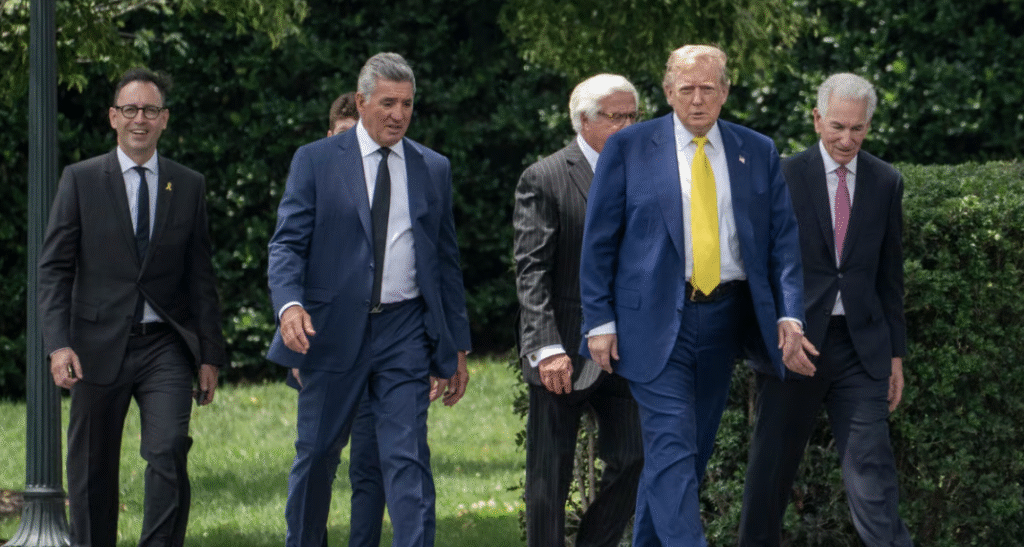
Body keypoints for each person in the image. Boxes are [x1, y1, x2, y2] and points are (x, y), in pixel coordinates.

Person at [579, 44, 814, 546]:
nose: (698, 100)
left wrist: (790, 315)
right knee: (672, 448)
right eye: (686, 89)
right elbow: (599, 241)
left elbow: (783, 244)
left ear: (725, 91)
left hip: (724, 320)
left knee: (687, 456)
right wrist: (599, 321)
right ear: (668, 93)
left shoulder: (757, 150)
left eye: (708, 88)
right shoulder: (630, 148)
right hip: (652, 321)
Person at [267, 52, 472, 547]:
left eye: (407, 104)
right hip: (330, 330)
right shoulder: (316, 160)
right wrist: (289, 305)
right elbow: (288, 243)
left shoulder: (432, 167)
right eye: (387, 103)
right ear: (361, 103)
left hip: (404, 330)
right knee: (317, 453)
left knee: (407, 457)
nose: (398, 114)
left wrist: (456, 346)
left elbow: (445, 262)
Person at [37, 67, 226, 547]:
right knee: (91, 466)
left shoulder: (188, 185)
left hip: (165, 347)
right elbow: (54, 269)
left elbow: (201, 277)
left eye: (150, 110)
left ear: (164, 119)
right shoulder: (81, 180)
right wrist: (58, 345)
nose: (139, 118)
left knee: (169, 450)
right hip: (95, 346)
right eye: (130, 109)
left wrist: (209, 355)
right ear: (113, 117)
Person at [738, 73, 913, 546]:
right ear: (817, 120)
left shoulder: (886, 181)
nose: (846, 139)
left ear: (869, 126)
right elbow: (758, 266)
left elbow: (889, 277)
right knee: (769, 476)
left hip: (861, 350)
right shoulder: (781, 176)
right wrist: (776, 332)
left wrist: (895, 355)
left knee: (873, 477)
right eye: (837, 126)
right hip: (793, 345)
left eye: (857, 128)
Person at [513, 73, 644, 547]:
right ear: (583, 120)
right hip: (563, 348)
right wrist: (546, 346)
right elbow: (532, 270)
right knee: (548, 481)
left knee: (635, 458)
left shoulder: (646, 174)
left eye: (632, 115)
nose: (626, 125)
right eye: (615, 116)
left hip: (626, 350)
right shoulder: (545, 177)